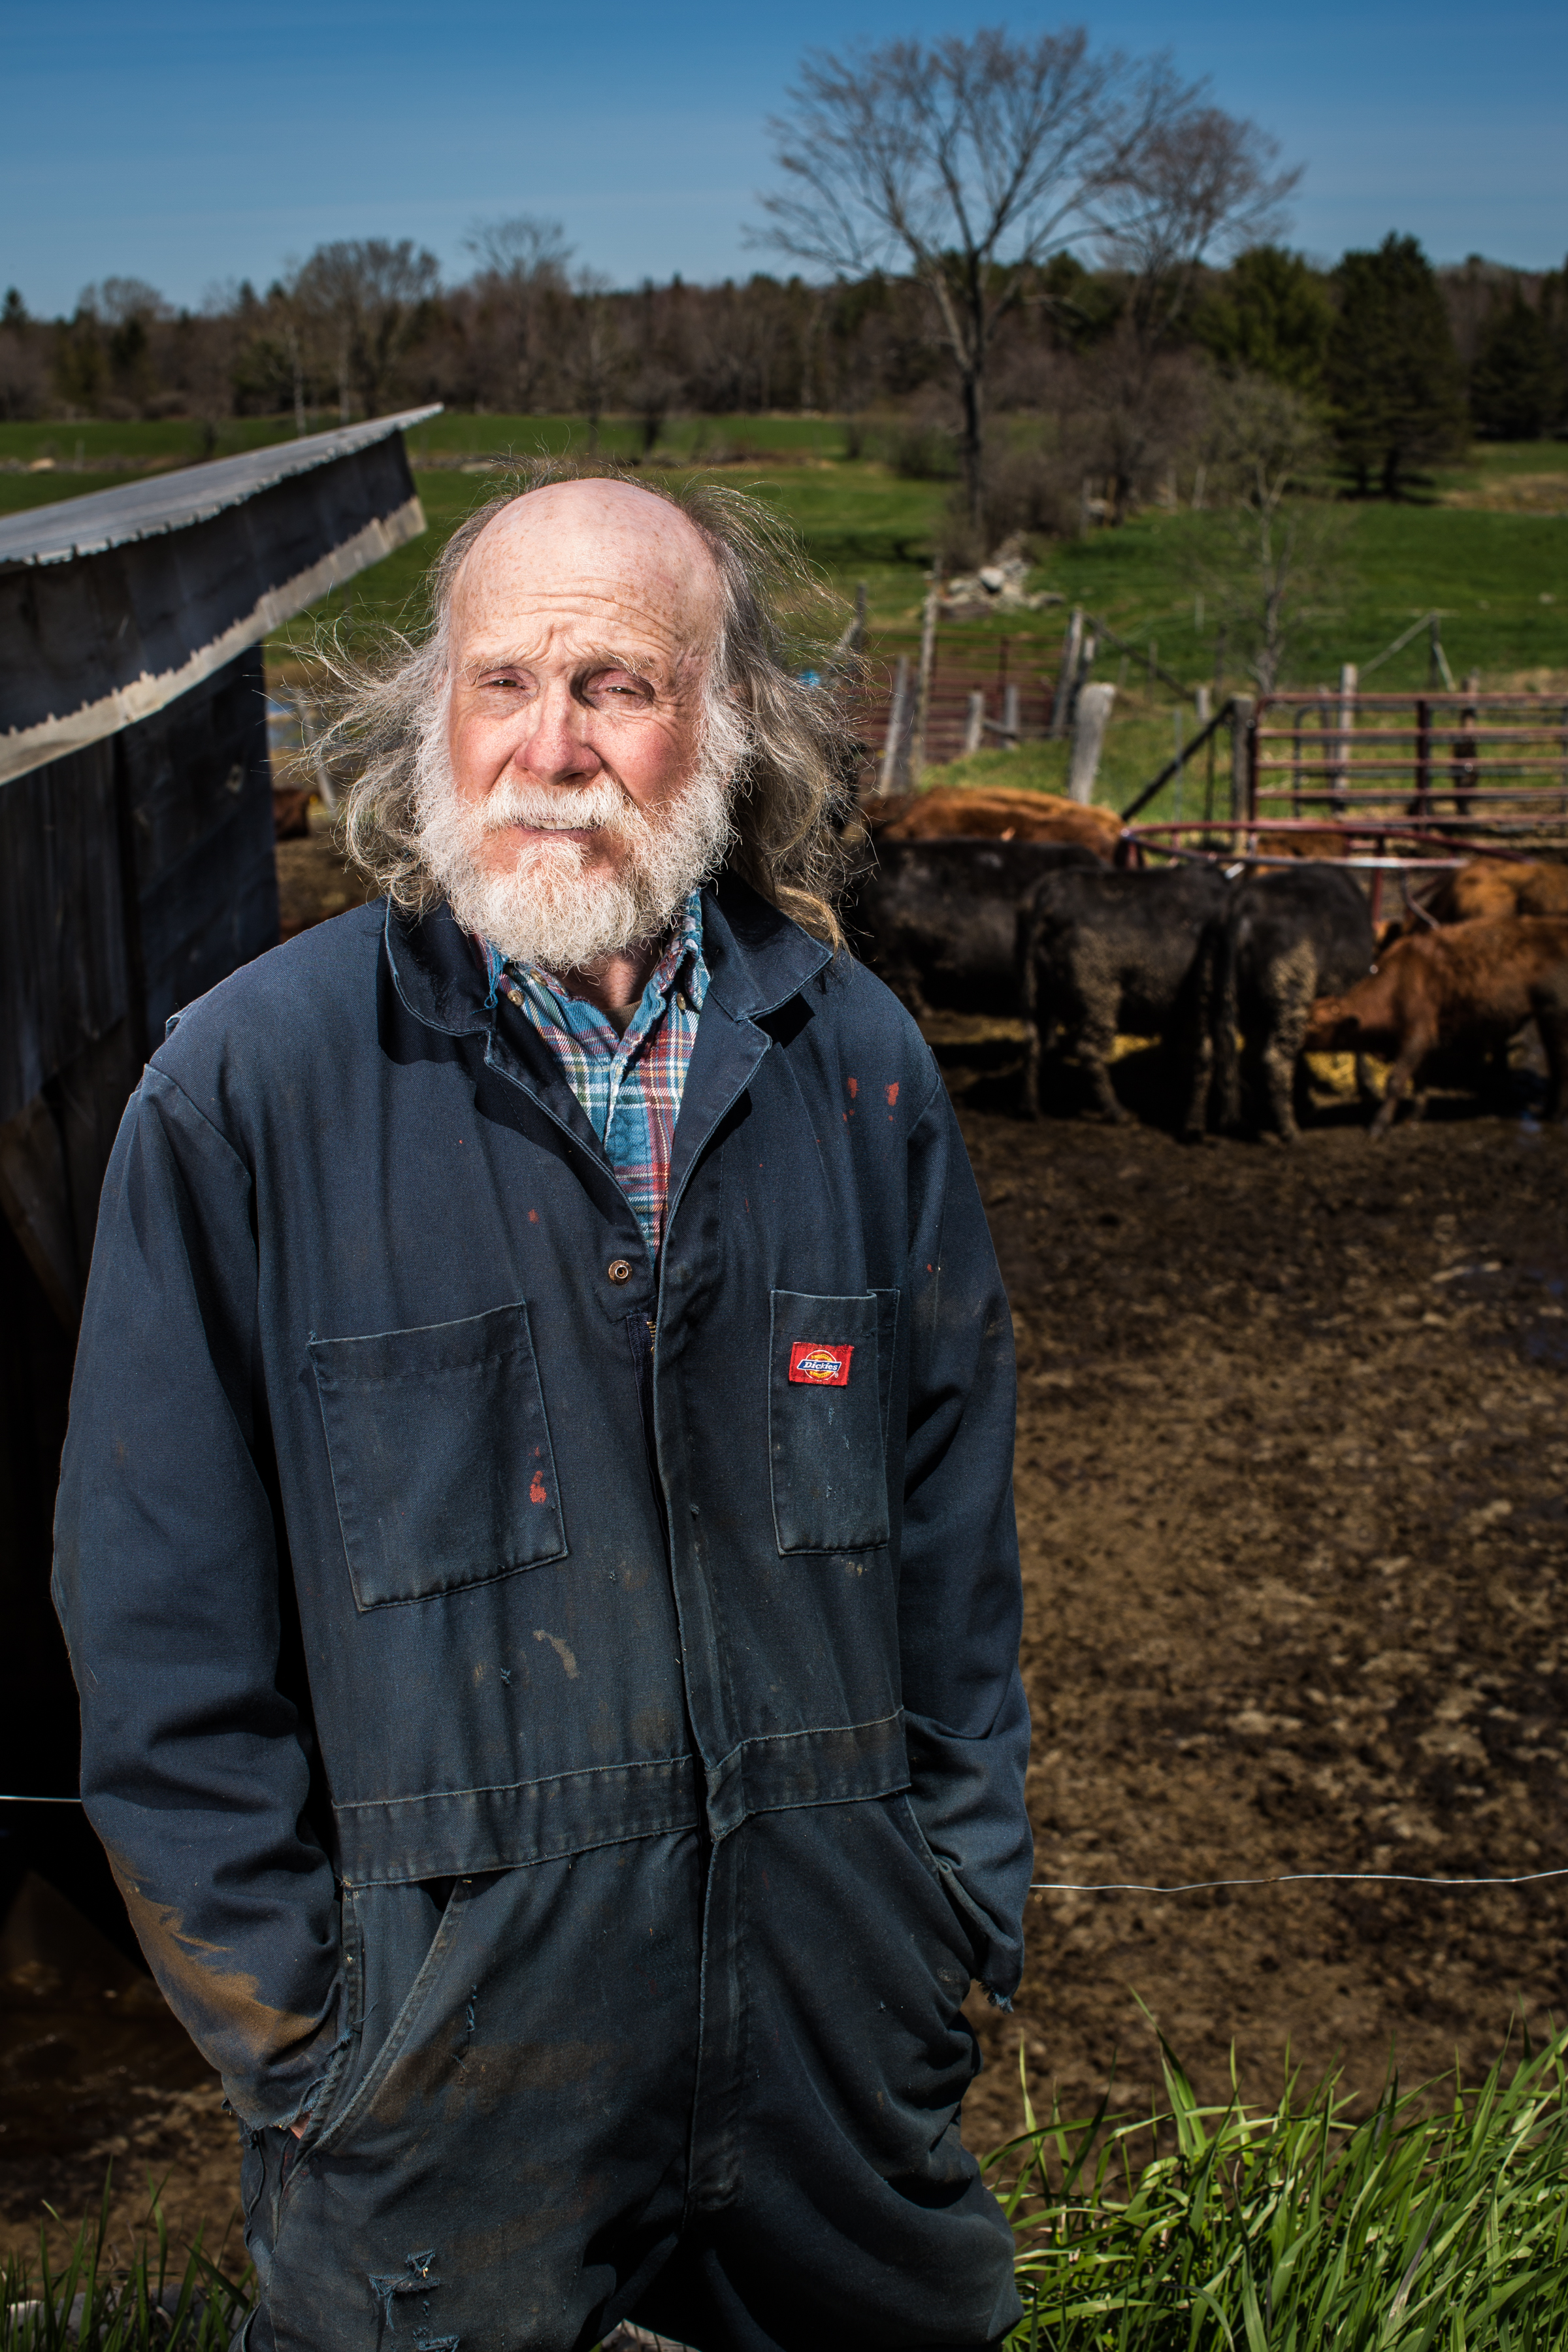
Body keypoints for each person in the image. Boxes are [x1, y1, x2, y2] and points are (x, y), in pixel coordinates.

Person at [53, 468, 1031, 2352]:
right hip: (441, 2113)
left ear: (723, 728)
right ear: (434, 717)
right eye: (503, 682)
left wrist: (949, 1927)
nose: (552, 746)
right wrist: (324, 2050)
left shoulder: (856, 1069)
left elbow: (954, 1564)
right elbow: (158, 1635)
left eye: (620, 685)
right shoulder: (250, 1087)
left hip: (838, 2070)